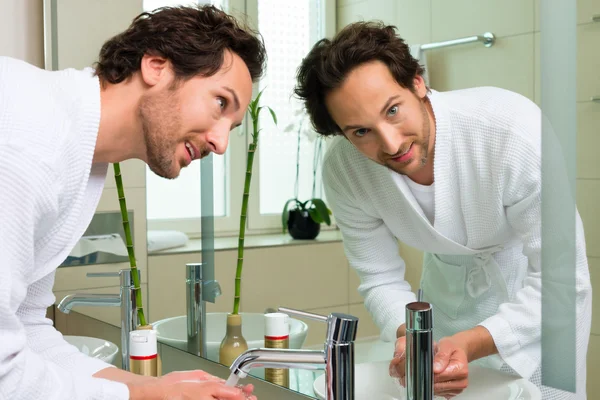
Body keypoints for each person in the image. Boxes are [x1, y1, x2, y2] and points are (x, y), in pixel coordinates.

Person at [293, 21, 592, 399]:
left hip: (541, 312)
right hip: (444, 316)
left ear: (418, 82)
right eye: (360, 132)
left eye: (393, 110)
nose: (391, 143)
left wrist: (472, 343)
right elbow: (379, 278)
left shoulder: (511, 131)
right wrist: (410, 338)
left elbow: (564, 280)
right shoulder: (346, 169)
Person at [0, 5, 265, 400]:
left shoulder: (81, 158)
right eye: (220, 104)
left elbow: (27, 326)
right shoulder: (32, 143)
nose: (221, 142)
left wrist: (148, 384)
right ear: (157, 66)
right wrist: (144, 397)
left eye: (232, 125)